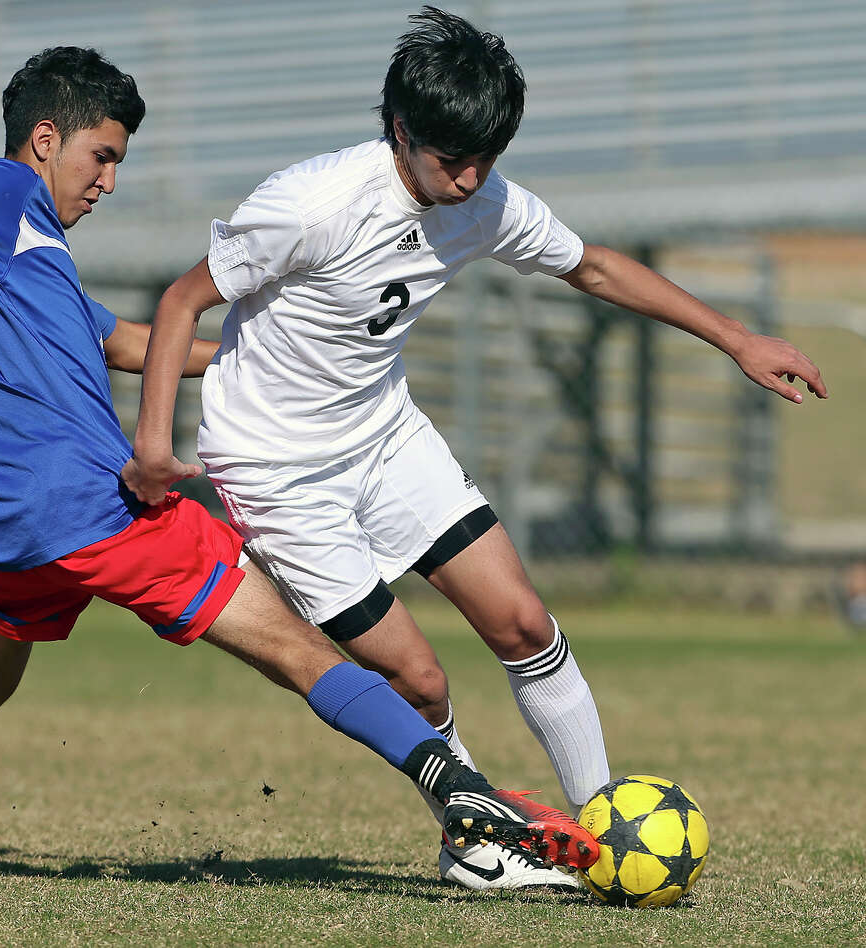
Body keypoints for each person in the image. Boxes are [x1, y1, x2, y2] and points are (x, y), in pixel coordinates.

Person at [0, 45, 597, 888]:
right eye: (102, 156)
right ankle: (467, 796)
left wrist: (278, 344)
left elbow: (127, 343)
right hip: (90, 506)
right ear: (44, 141)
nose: (109, 179)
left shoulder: (28, 259)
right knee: (302, 649)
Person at [122, 7, 829, 892]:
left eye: (485, 159)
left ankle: (604, 827)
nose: (469, 180)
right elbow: (184, 304)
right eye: (451, 159)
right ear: (400, 130)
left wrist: (736, 338)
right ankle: (476, 836)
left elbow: (597, 268)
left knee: (525, 623)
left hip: (383, 435)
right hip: (274, 470)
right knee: (417, 679)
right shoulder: (310, 205)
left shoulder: (486, 199)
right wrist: (153, 445)